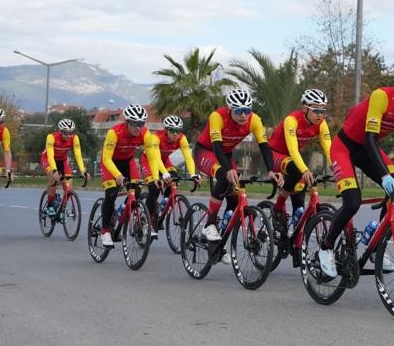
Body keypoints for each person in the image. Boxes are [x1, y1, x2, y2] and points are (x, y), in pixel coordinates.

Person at [317, 59, 394, 279]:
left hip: (370, 149)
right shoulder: (382, 97)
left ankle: (377, 246)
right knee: (353, 202)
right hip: (345, 147)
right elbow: (369, 137)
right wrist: (384, 175)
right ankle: (326, 247)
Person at [194, 88, 284, 252]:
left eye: (247, 110)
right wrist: (228, 169)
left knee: (235, 199)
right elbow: (217, 147)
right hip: (206, 151)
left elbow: (265, 147)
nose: (243, 115)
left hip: (226, 154)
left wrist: (271, 170)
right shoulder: (217, 116)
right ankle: (209, 224)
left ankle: (219, 244)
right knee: (224, 175)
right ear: (230, 110)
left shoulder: (254, 120)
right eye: (239, 111)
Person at [98, 104, 166, 248]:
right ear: (127, 122)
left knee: (136, 191)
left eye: (141, 124)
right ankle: (105, 231)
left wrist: (155, 177)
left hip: (128, 162)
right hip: (110, 162)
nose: (138, 127)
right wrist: (117, 175)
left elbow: (153, 157)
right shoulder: (114, 132)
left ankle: (125, 212)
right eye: (134, 124)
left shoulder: (145, 133)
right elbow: (106, 158)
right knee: (111, 193)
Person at [265, 88, 333, 231]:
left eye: (322, 111)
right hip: (275, 153)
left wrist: (336, 167)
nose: (320, 115)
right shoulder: (292, 120)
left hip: (291, 157)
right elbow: (293, 149)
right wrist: (305, 170)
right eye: (316, 110)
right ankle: (278, 208)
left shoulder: (321, 124)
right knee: (297, 171)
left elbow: (329, 149)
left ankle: (295, 237)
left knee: (299, 197)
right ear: (304, 109)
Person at [142, 115, 200, 236]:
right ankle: (149, 220)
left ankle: (164, 205)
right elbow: (155, 158)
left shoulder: (181, 138)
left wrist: (193, 174)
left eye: (178, 131)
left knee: (174, 179)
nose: (175, 134)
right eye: (172, 131)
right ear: (166, 130)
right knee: (154, 188)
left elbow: (188, 157)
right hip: (150, 160)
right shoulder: (156, 138)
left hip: (164, 161)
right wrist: (164, 173)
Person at [40, 118, 90, 216]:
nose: (68, 135)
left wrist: (82, 170)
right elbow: (50, 156)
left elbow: (78, 155)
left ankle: (61, 209)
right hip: (48, 160)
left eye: (71, 133)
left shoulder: (74, 138)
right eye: (66, 133)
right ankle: (50, 206)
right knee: (54, 179)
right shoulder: (51, 137)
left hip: (62, 161)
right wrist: (54, 171)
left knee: (69, 187)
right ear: (60, 131)